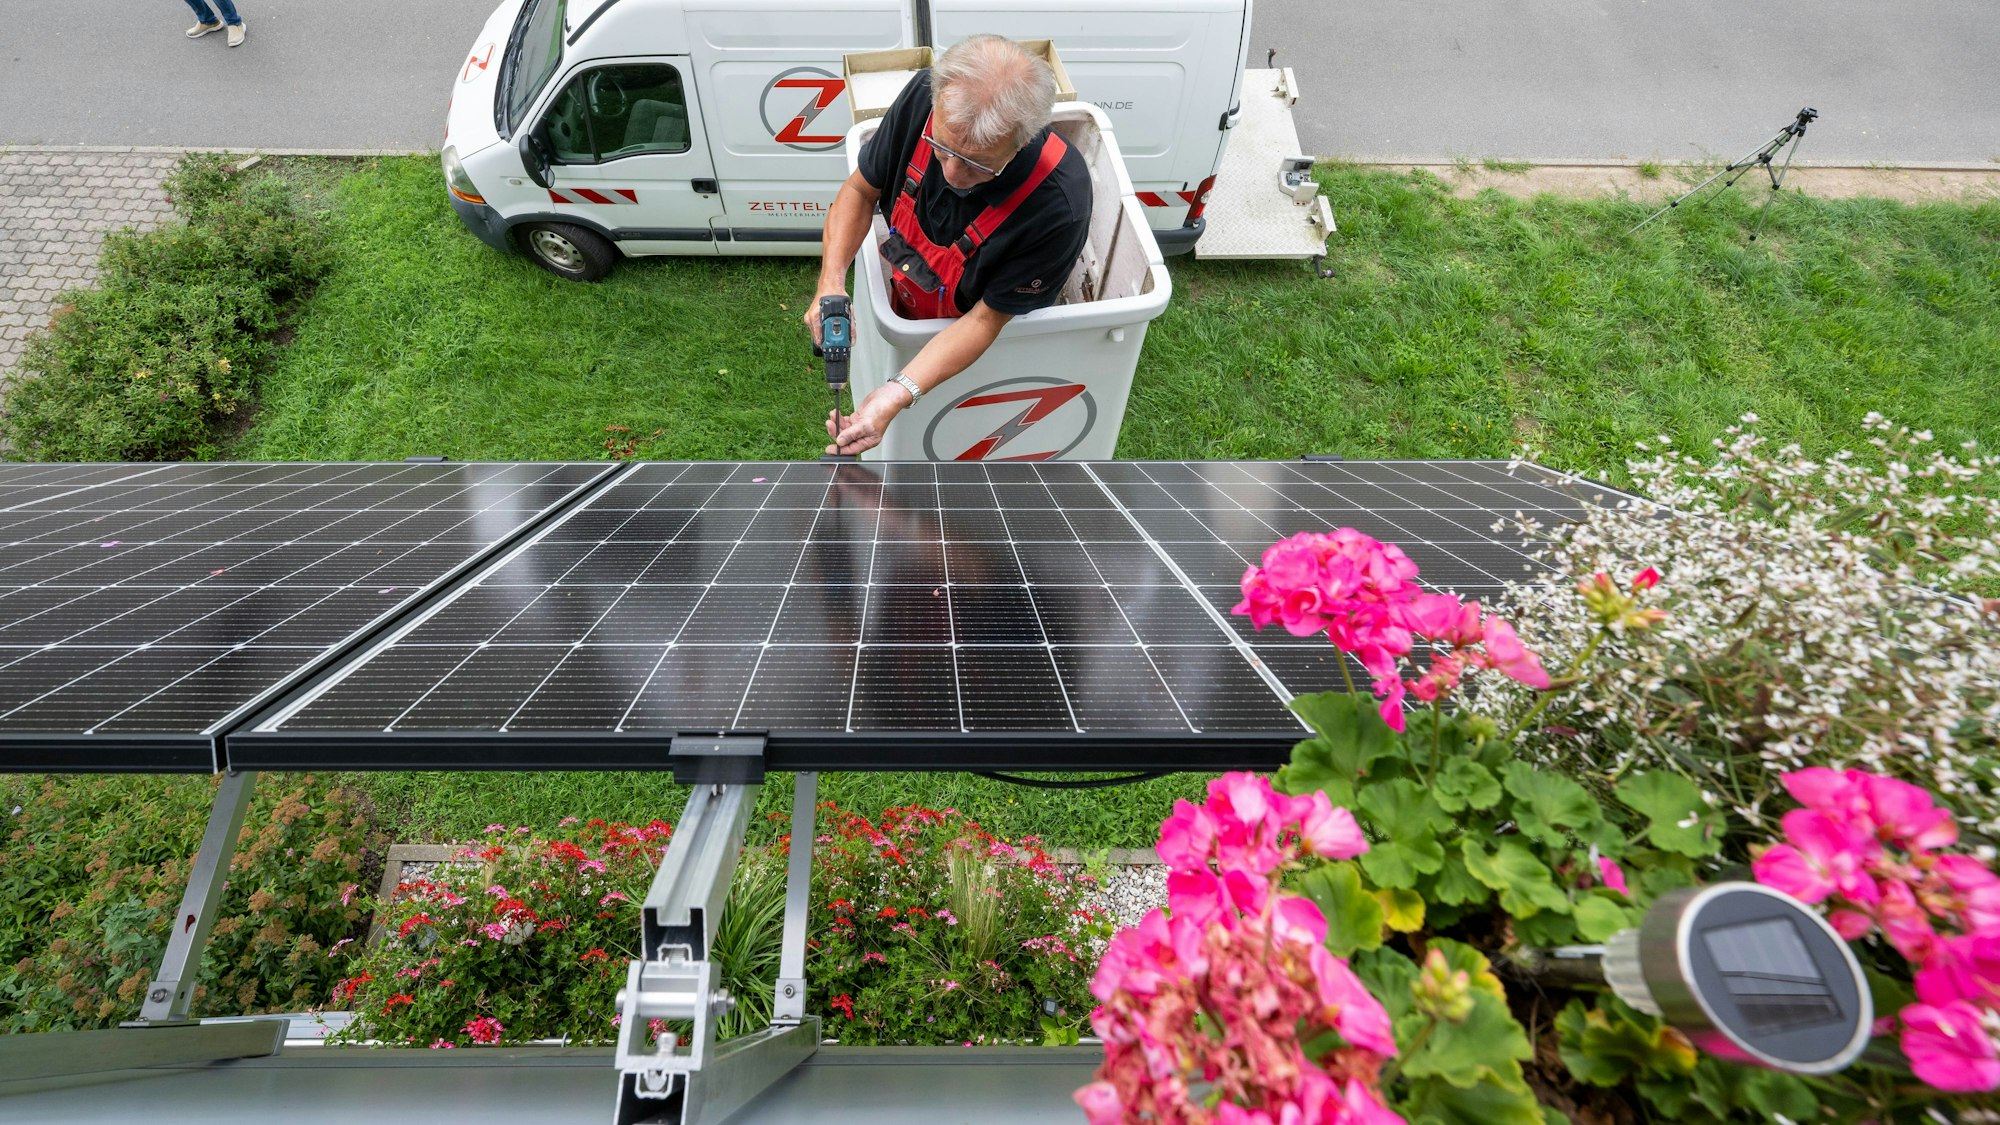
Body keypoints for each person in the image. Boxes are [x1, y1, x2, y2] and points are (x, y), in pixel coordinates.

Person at [807, 34, 1090, 457]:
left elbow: (985, 321)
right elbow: (860, 191)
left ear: (1023, 138)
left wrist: (897, 391)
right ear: (936, 105)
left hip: (975, 332)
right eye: (941, 148)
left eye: (978, 164)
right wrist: (831, 283)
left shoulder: (1058, 203)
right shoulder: (923, 95)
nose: (954, 174)